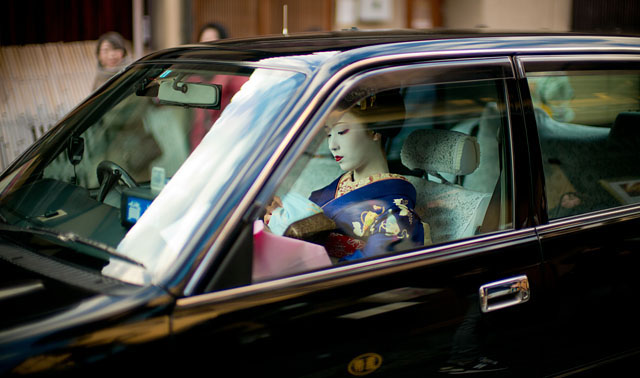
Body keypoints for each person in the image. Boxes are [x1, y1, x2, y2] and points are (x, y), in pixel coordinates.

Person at [266, 89, 428, 262]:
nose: (332, 145)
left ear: (375, 131)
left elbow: (371, 268)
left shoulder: (395, 209)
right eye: (329, 134)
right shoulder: (335, 188)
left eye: (342, 132)